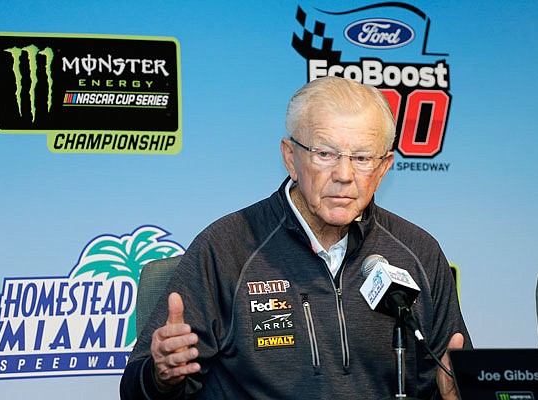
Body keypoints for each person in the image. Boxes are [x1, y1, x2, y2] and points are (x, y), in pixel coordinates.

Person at [120, 76, 471, 399]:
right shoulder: (225, 248)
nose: (344, 175)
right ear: (291, 158)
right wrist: (162, 376)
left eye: (362, 158)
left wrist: (461, 391)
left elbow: (455, 378)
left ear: (383, 168)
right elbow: (136, 390)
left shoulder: (419, 253)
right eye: (325, 154)